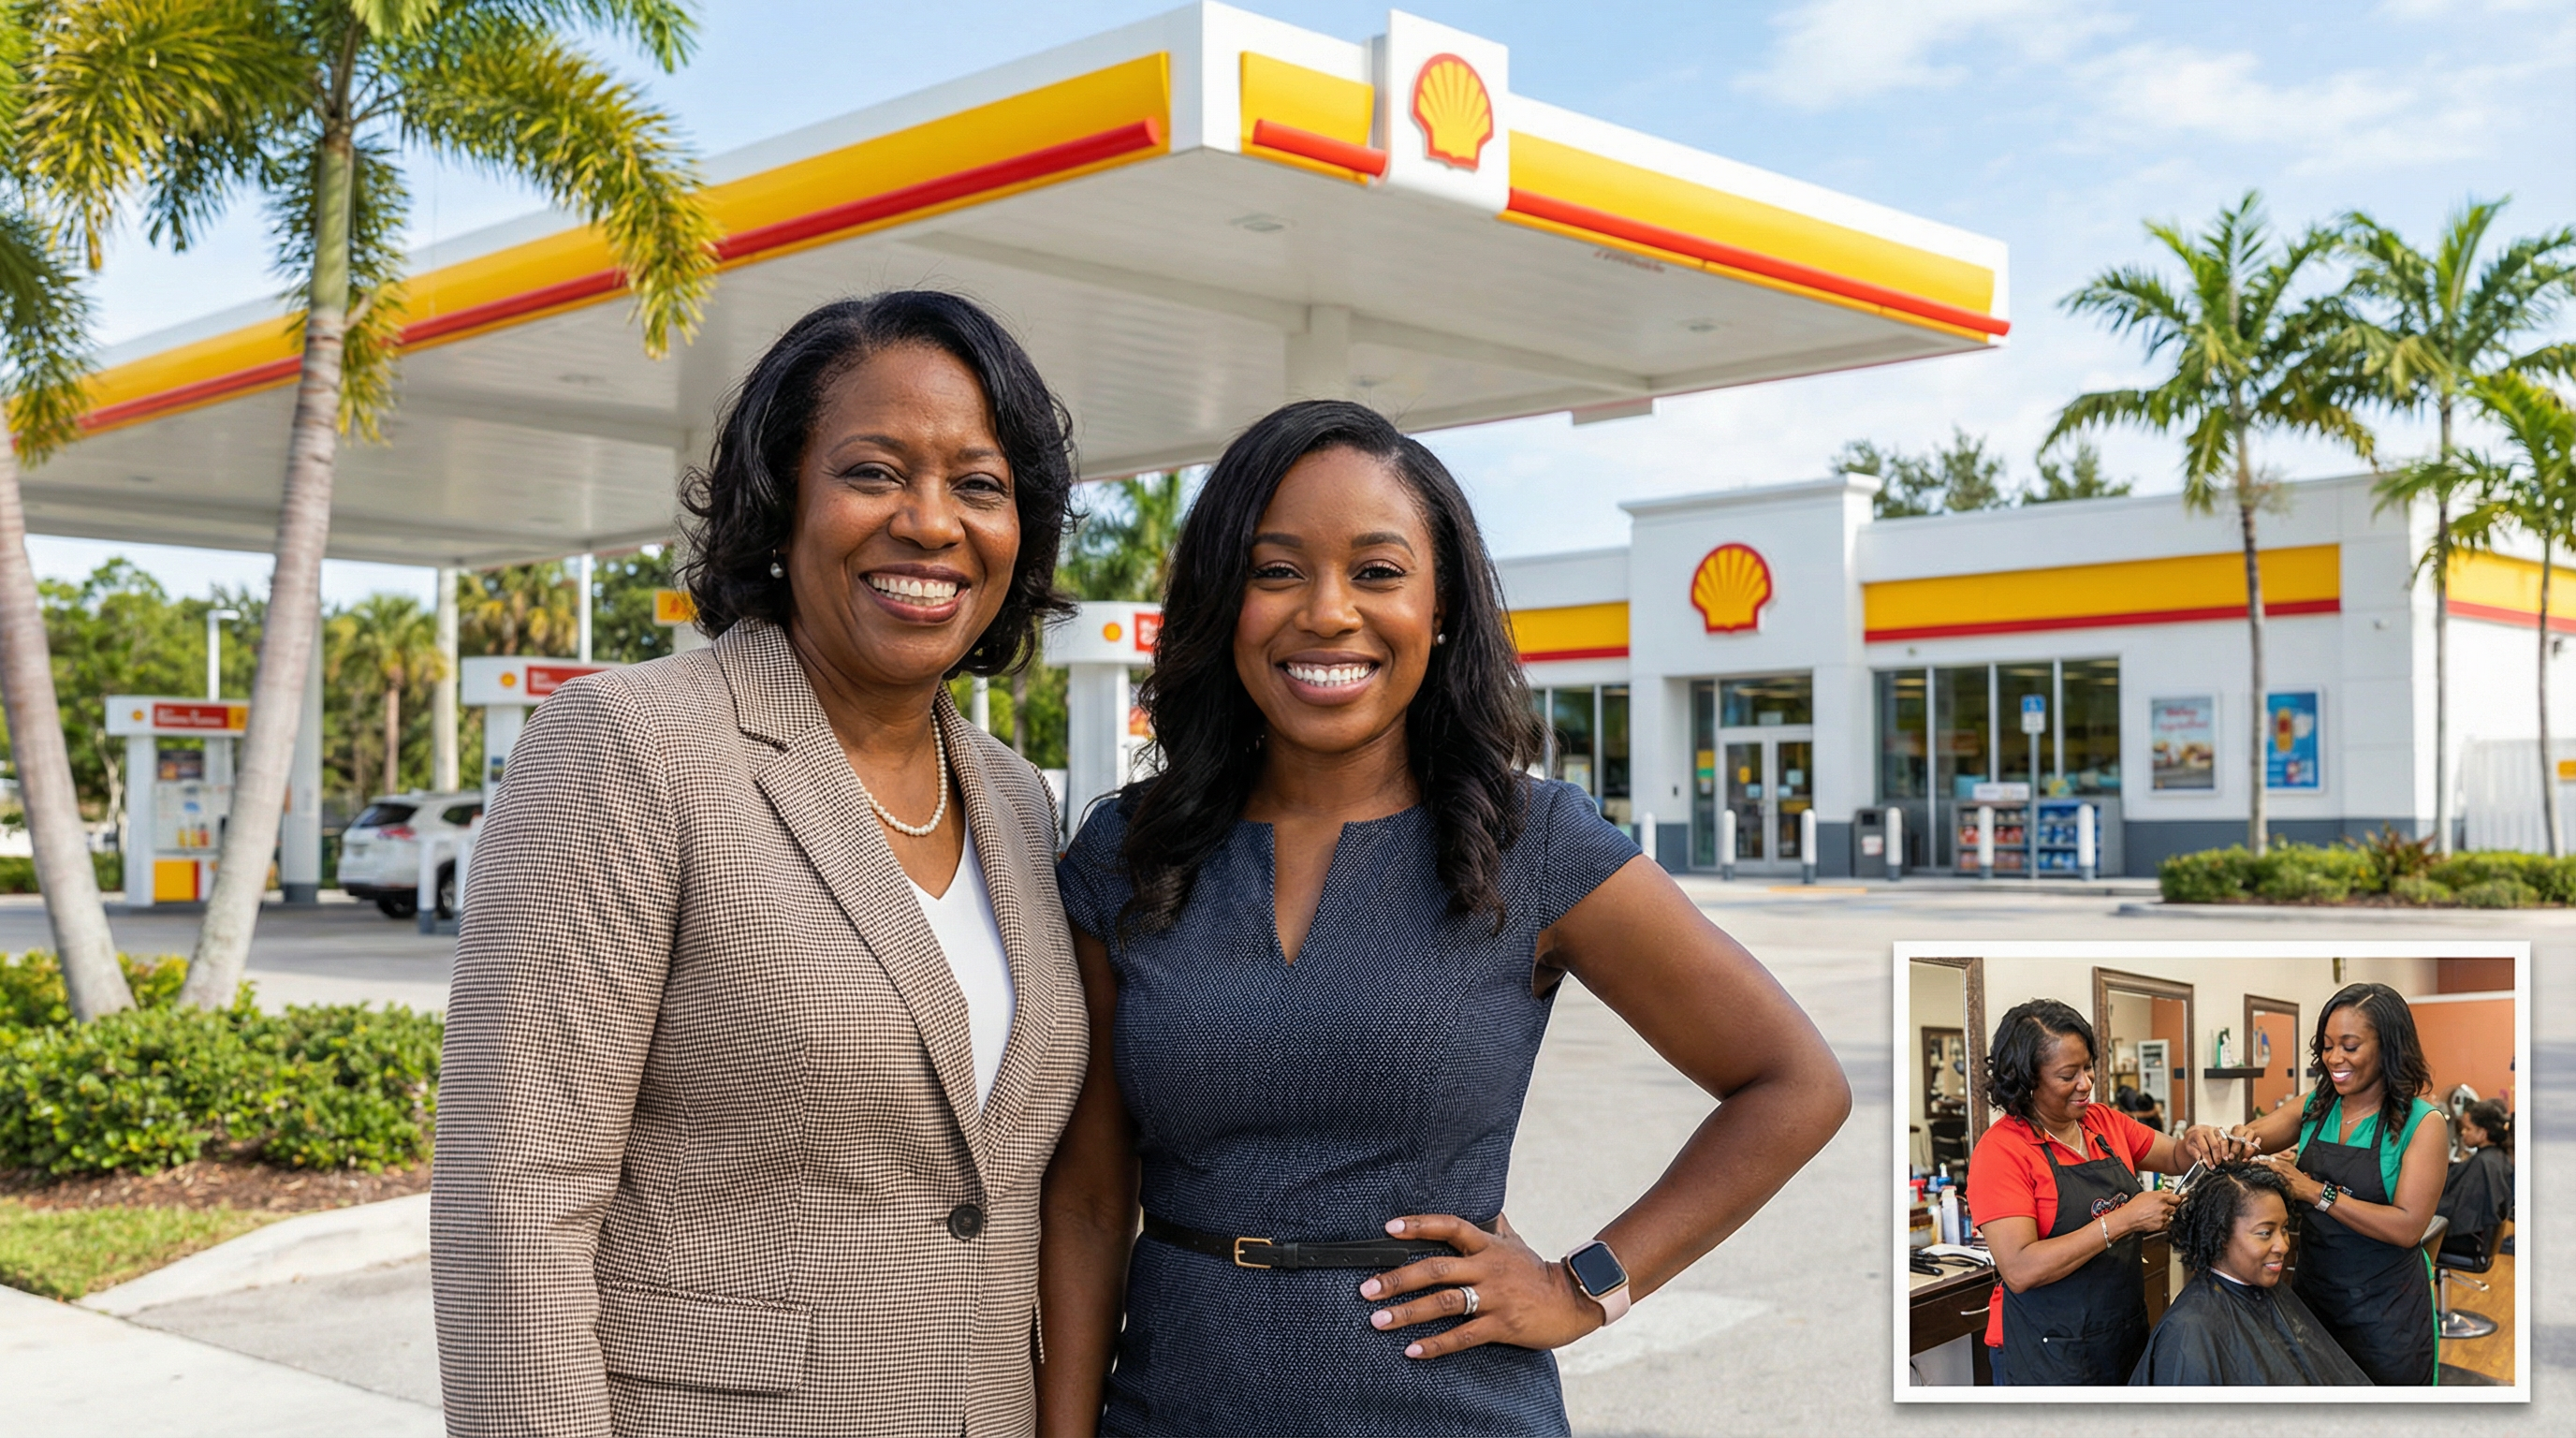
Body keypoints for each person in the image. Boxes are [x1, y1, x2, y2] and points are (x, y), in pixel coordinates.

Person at [1035, 400, 1852, 1437]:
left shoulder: (1531, 841)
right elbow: (1090, 1201)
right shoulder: (1128, 851)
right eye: (1276, 570)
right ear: (1220, 602)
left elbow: (1794, 1085)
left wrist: (1584, 1286)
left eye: (1378, 571)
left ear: (1443, 607)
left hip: (1452, 1413)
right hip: (1173, 1412)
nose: (1327, 612)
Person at [432, 293, 1090, 1435]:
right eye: (874, 472)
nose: (931, 523)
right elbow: (515, 1201)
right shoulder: (630, 746)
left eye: (980, 485)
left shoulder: (1017, 801)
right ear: (779, 500)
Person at [1964, 1000, 2237, 1385]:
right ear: (2026, 1080)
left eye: (2088, 1067)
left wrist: (2194, 1139)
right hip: (2047, 1352)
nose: (2086, 1083)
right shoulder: (2002, 1151)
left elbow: (2175, 1156)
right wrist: (2123, 1220)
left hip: (2120, 1333)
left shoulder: (2103, 1122)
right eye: (2068, 1075)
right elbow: (2020, 1269)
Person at [2234, 982, 2447, 1387]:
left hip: (2387, 1313)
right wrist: (2228, 1139)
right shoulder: (2317, 1104)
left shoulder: (2422, 1123)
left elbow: (2407, 1227)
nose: (2334, 1058)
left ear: (2389, 1047)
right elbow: (2253, 1136)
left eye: (2350, 1046)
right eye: (2328, 1046)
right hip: (2315, 1296)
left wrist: (2314, 1191)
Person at [2130, 1164, 2370, 1385]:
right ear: (2220, 1236)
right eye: (2265, 1233)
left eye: (2284, 1229)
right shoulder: (2188, 1332)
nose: (2283, 1246)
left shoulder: (2269, 1292)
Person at [2437, 1098, 2514, 1251]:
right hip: (2480, 1239)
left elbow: (2458, 1210)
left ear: (2482, 1133)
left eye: (2468, 1129)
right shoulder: (2496, 1157)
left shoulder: (2483, 1164)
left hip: (2465, 1240)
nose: (2463, 1133)